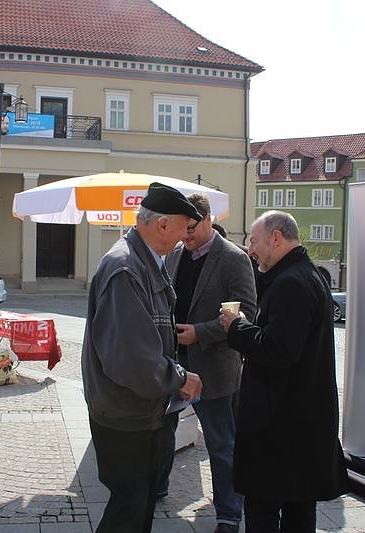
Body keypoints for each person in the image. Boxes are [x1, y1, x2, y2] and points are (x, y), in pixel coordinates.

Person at [81, 182, 204, 533]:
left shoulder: (146, 261)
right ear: (163, 225)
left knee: (141, 503)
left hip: (143, 411)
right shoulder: (126, 268)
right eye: (184, 226)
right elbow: (132, 359)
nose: (185, 235)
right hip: (126, 413)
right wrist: (180, 378)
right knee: (130, 507)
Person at [219, 210, 348, 532]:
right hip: (300, 422)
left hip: (280, 427)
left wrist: (236, 328)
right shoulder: (304, 275)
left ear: (276, 238)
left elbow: (279, 350)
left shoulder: (291, 282)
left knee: (265, 510)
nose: (251, 249)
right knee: (299, 510)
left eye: (255, 241)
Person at [160, 194, 256, 533]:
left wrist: (200, 333)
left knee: (221, 444)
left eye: (190, 229)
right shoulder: (173, 256)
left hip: (214, 367)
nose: (184, 237)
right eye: (181, 229)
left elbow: (246, 313)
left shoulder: (233, 259)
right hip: (173, 364)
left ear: (207, 219)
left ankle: (229, 514)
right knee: (162, 431)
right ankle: (158, 488)